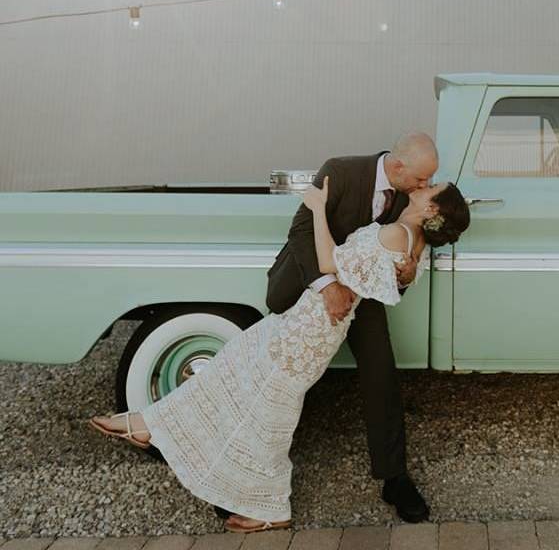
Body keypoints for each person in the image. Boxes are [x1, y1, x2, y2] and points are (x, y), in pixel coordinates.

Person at [88, 173, 470, 533]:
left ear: (432, 209)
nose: (424, 186)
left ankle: (267, 506)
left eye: (432, 188)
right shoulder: (414, 245)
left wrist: (318, 208)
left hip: (310, 327)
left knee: (265, 406)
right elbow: (387, 278)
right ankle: (151, 424)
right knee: (234, 369)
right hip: (313, 324)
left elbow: (327, 263)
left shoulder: (395, 234)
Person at [264, 132, 440, 523]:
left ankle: (395, 478)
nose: (425, 187)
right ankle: (254, 463)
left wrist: (406, 276)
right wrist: (326, 286)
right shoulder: (339, 171)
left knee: (382, 375)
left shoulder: (410, 201)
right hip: (308, 283)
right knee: (280, 376)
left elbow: (402, 261)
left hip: (363, 295)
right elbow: (300, 232)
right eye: (421, 180)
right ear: (397, 168)